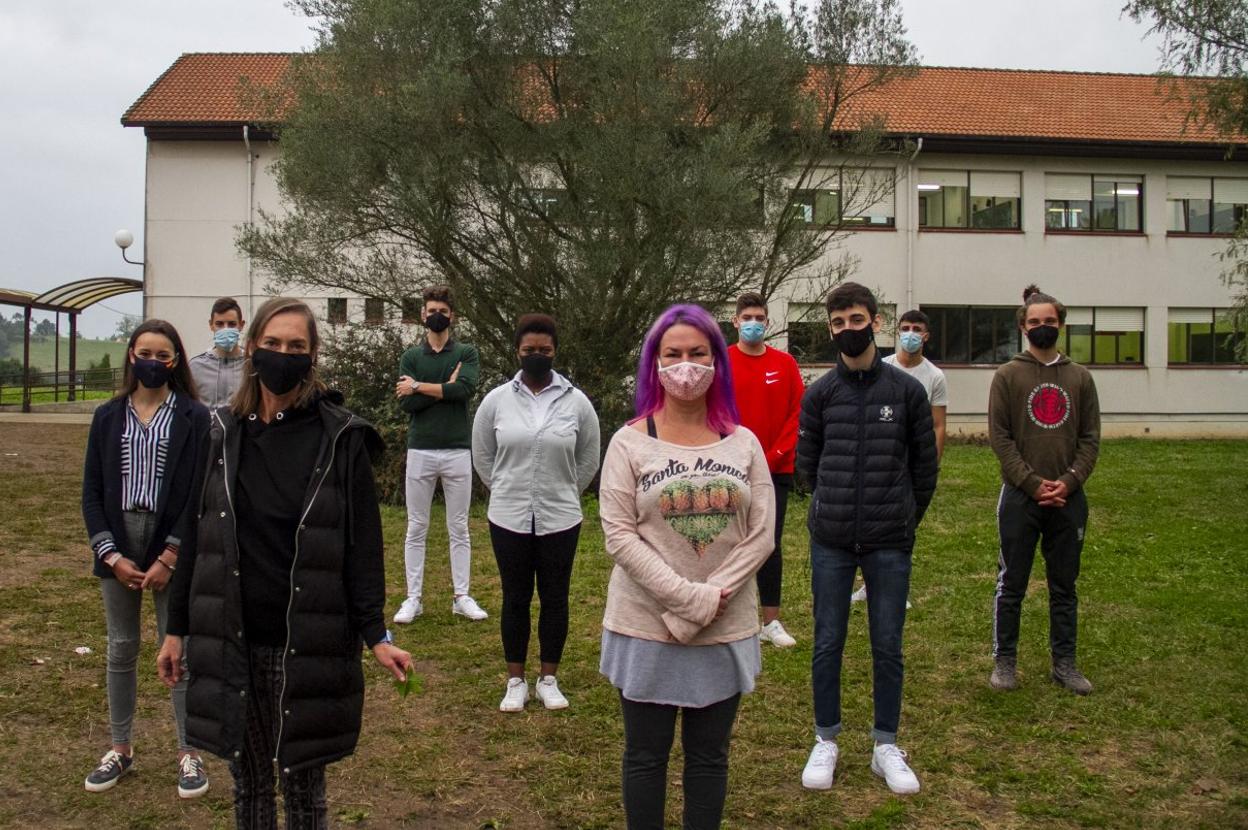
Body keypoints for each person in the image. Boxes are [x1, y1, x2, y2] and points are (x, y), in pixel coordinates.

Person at [156, 297, 413, 829]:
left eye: (296, 346)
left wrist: (376, 632)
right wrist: (176, 629)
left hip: (305, 640)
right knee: (248, 783)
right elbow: (197, 537)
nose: (283, 355)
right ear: (252, 349)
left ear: (313, 355)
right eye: (272, 344)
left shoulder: (341, 439)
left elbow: (363, 548)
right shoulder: (221, 435)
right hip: (233, 636)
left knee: (302, 787)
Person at [599, 304, 775, 830]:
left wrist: (708, 598)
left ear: (717, 363)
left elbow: (762, 533)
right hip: (647, 625)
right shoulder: (628, 442)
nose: (686, 365)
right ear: (654, 363)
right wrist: (684, 598)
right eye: (673, 354)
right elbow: (619, 534)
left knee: (709, 758)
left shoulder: (744, 443)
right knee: (645, 757)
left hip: (725, 626)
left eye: (698, 354)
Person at [797, 282, 937, 796]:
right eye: (838, 323)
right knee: (827, 641)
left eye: (856, 320)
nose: (848, 330)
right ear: (830, 329)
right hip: (831, 540)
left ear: (875, 323)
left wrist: (902, 517)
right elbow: (805, 467)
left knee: (888, 645)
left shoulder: (906, 393)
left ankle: (885, 745)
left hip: (889, 542)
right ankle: (826, 739)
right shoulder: (820, 394)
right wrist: (829, 508)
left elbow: (925, 469)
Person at [81, 319, 211, 798]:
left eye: (163, 354)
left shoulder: (193, 417)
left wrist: (172, 553)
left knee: (179, 649)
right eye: (145, 352)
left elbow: (197, 492)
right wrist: (109, 553)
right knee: (121, 647)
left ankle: (189, 751)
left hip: (169, 541)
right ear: (131, 354)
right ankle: (121, 747)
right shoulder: (107, 415)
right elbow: (91, 490)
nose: (152, 362)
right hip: (118, 541)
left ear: (175, 360)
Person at [472, 314, 601, 712]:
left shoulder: (576, 402)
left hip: (560, 516)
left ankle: (548, 678)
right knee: (515, 597)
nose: (537, 356)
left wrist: (560, 490)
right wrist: (510, 490)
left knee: (555, 597)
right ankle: (515, 680)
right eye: (529, 351)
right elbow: (483, 455)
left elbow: (588, 457)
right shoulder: (496, 400)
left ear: (555, 351)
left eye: (544, 351)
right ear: (517, 352)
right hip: (508, 515)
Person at [988, 285, 1100, 696]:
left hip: (1069, 499)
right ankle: (1005, 662)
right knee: (1011, 582)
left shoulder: (1080, 377)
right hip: (1020, 497)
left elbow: (1090, 439)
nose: (1042, 327)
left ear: (1061, 324)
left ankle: (1065, 663)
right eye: (1034, 322)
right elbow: (1000, 438)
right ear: (1022, 326)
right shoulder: (1007, 375)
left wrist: (1068, 482)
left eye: (1049, 321)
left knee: (1064, 585)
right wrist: (1034, 485)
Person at [393, 284, 488, 623]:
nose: (436, 316)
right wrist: (441, 388)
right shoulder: (411, 356)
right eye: (431, 311)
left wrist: (419, 385)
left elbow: (465, 390)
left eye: (442, 312)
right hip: (420, 449)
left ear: (452, 316)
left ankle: (462, 596)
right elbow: (406, 403)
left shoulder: (467, 352)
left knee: (458, 527)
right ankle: (413, 598)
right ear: (422, 315)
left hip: (457, 449)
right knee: (416, 526)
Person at [852, 309, 948, 605]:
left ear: (926, 336)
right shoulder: (882, 367)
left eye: (916, 329)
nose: (910, 333)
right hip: (882, 460)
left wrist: (931, 462)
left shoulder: (934, 377)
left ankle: (897, 587)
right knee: (871, 524)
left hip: (912, 462)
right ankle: (868, 584)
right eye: (905, 327)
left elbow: (938, 424)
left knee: (903, 527)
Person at [726, 291, 804, 648]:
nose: (754, 324)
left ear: (768, 323)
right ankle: (727, 612)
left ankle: (770, 622)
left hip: (776, 468)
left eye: (760, 318)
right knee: (730, 541)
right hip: (730, 468)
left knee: (769, 543)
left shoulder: (785, 364)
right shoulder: (722, 363)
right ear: (735, 321)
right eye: (748, 318)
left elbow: (796, 413)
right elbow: (716, 414)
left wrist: (773, 455)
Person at [189, 297, 247, 409]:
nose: (225, 329)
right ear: (211, 325)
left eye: (231, 324)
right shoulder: (195, 367)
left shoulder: (252, 365)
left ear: (241, 325)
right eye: (219, 324)